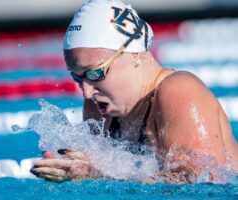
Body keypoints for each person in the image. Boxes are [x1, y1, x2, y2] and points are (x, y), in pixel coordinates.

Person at [30, 0, 238, 183]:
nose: (86, 92)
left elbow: (206, 185)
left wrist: (101, 173)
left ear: (135, 53)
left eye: (95, 73)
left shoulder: (180, 92)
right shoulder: (98, 107)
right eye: (78, 78)